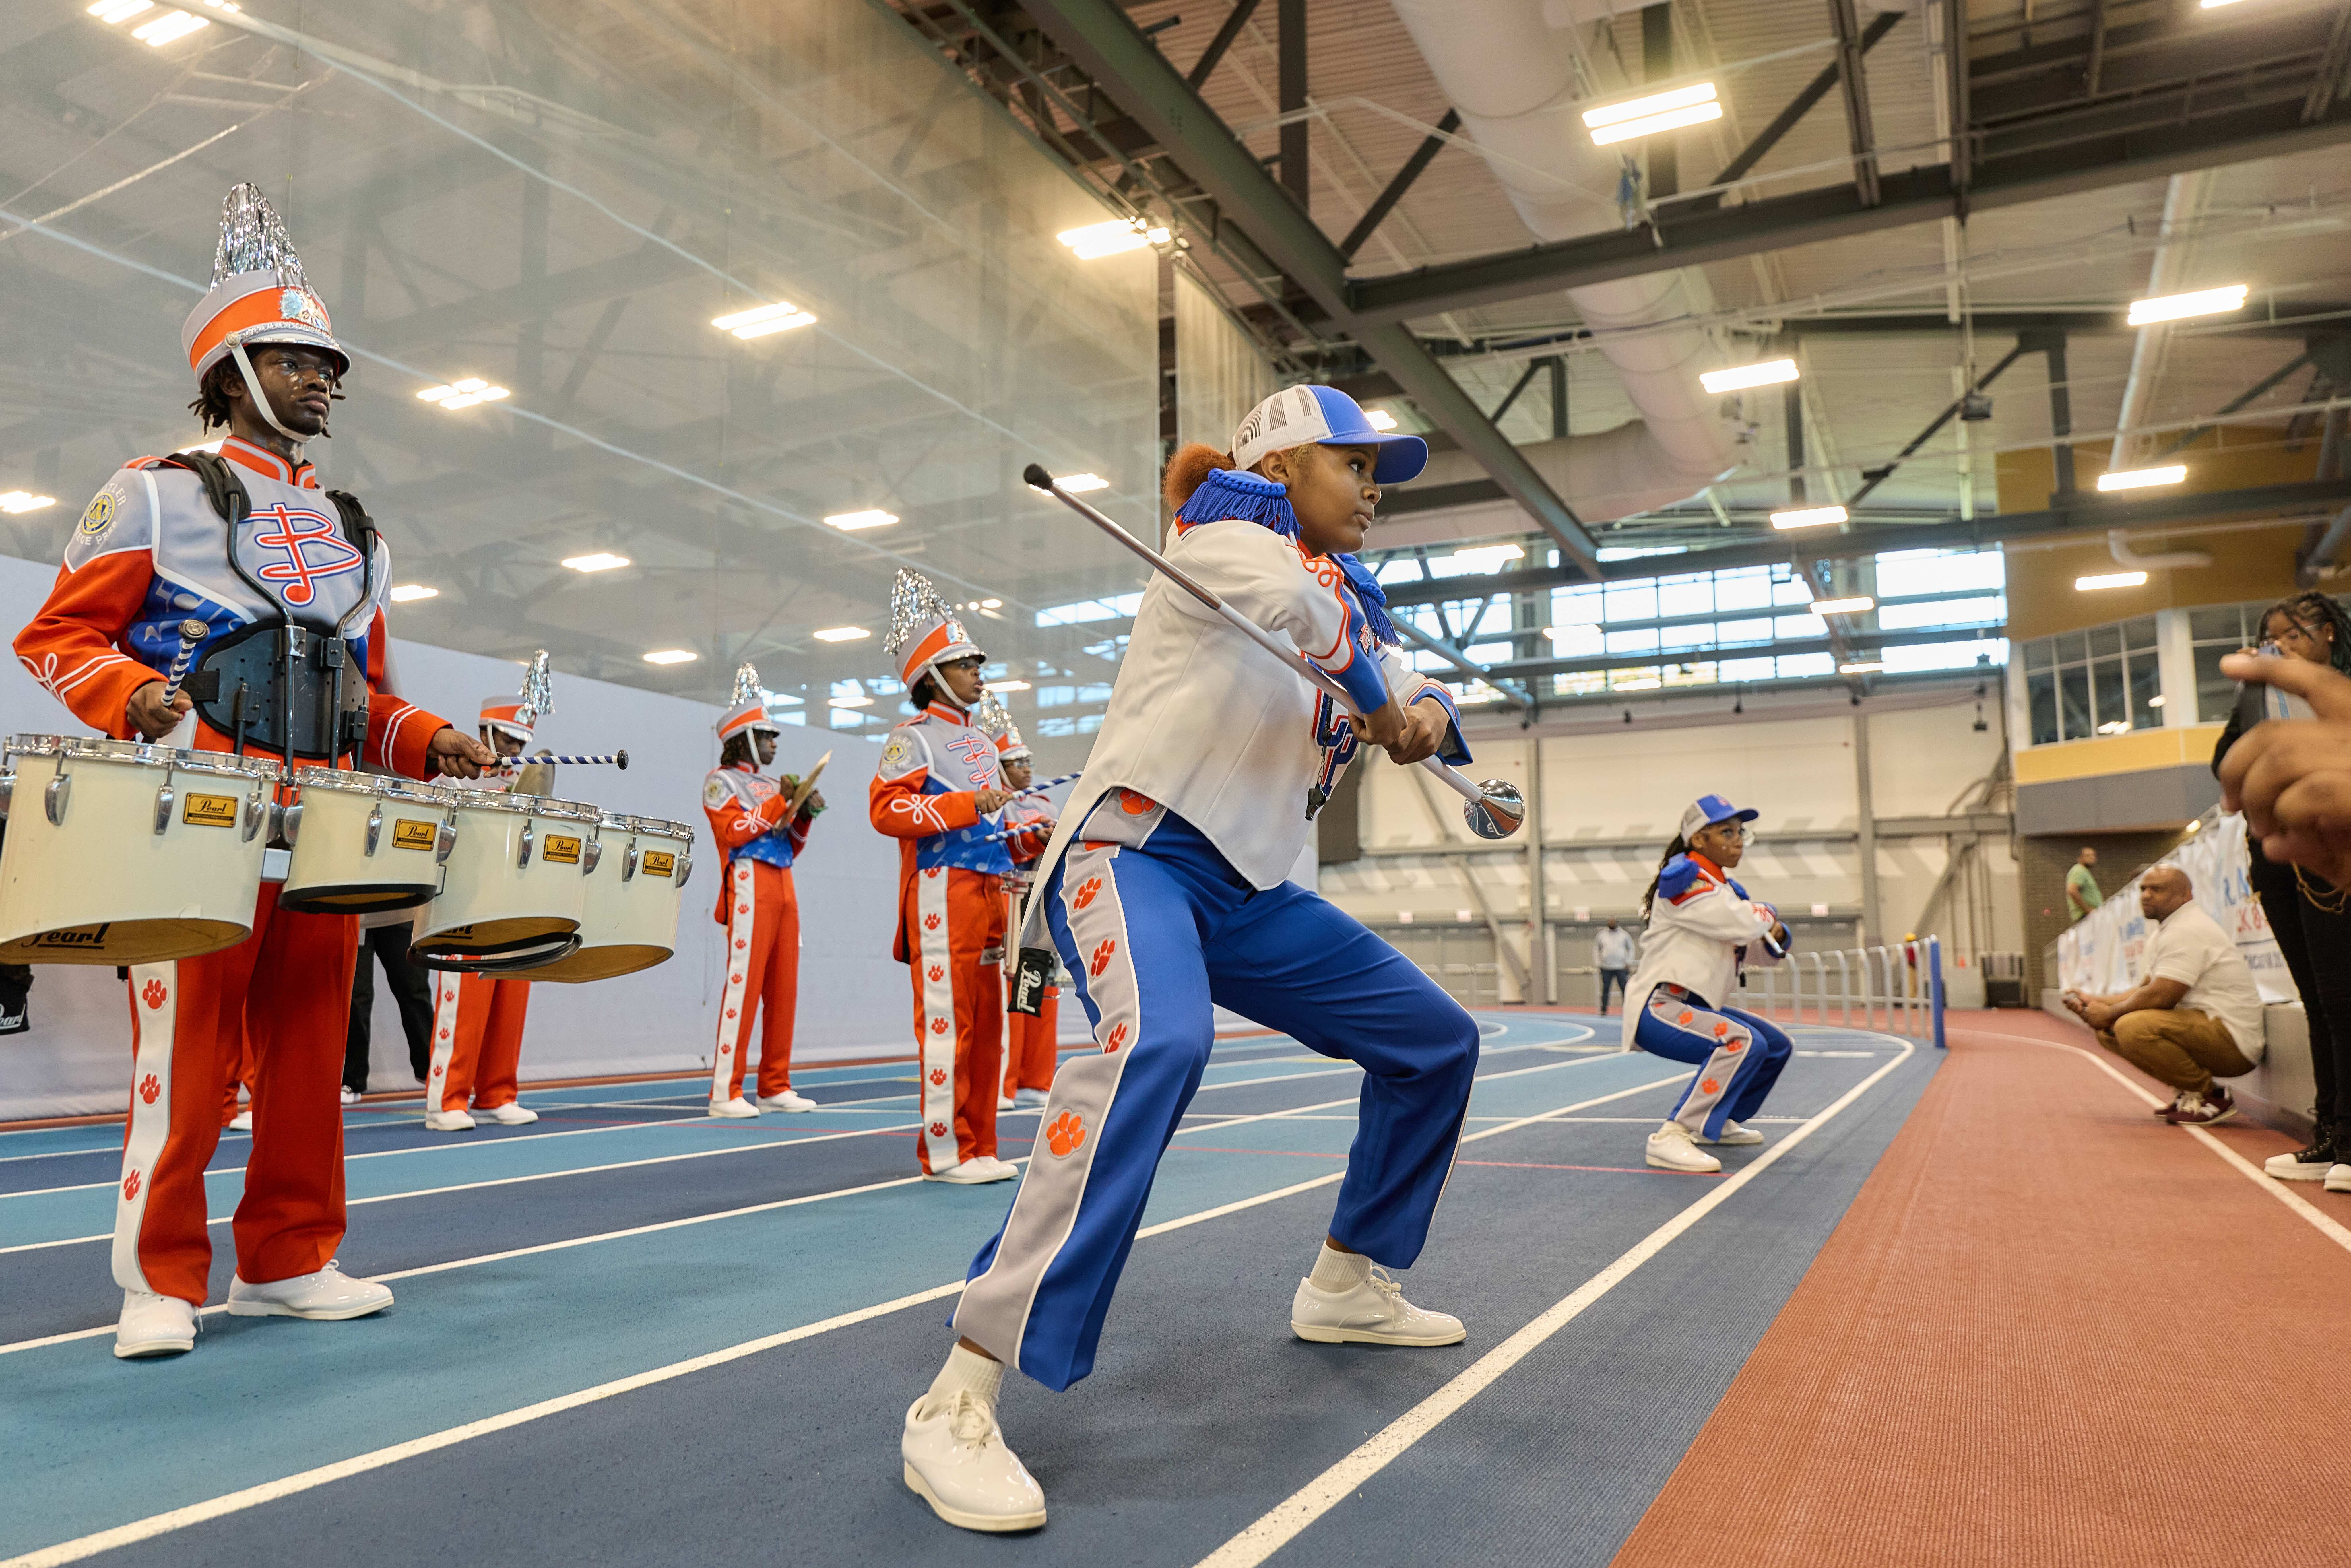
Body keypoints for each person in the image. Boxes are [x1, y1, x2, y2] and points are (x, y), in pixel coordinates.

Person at [897, 384, 1479, 1534]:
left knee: (1433, 1040)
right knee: (1158, 1041)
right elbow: (1321, 635)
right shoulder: (1223, 538)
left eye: (1381, 471)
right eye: (1350, 463)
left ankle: (1350, 1280)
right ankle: (957, 1392)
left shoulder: (1351, 593)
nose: (1373, 487)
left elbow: (1403, 686)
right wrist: (1378, 696)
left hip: (1250, 891)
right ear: (1281, 466)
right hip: (1133, 852)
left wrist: (1431, 718)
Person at [11, 184, 490, 1359]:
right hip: (195, 815)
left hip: (325, 822)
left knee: (310, 1051)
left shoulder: (359, 530)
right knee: (184, 1051)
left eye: (331, 363)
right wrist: (138, 698)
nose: (326, 378)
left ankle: (289, 1257)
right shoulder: (154, 492)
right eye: (298, 357)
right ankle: (160, 1277)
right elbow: (59, 638)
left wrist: (432, 739)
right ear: (230, 367)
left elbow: (365, 698)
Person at [870, 573, 1022, 1186]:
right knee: (948, 1019)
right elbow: (886, 811)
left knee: (989, 1022)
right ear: (931, 674)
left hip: (990, 887)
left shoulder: (982, 741)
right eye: (965, 663)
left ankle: (981, 1139)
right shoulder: (912, 742)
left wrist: (1033, 836)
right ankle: (944, 1149)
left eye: (977, 661)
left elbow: (1001, 818)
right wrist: (968, 806)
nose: (978, 671)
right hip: (944, 887)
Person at [2214, 593, 2351, 1180]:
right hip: (2275, 856)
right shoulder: (2259, 701)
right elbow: (2223, 761)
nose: (2280, 649)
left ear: (2326, 633)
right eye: (2270, 640)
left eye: (2291, 636)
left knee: (2343, 999)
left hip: (2330, 846)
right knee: (2315, 999)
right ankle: (2330, 1134)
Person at [1624, 795, 1795, 1175]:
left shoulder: (1727, 891)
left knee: (1777, 1045)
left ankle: (1719, 1122)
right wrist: (1767, 916)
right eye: (1727, 832)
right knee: (1742, 1041)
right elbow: (1745, 924)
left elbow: (1756, 950)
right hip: (1662, 1005)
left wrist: (1773, 932)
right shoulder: (1683, 879)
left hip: (1698, 1006)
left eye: (1740, 833)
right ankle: (1672, 1135)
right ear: (1699, 840)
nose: (1737, 840)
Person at [423, 671, 560, 1131]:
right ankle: (448, 1099)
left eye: (521, 742)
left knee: (510, 998)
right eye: (507, 738)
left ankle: (497, 1091)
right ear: (483, 733)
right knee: (465, 1001)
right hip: (466, 902)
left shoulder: (525, 779)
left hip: (516, 901)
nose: (515, 750)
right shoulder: (453, 779)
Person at [703, 661, 823, 1118]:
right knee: (744, 986)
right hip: (749, 881)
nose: (774, 744)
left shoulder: (772, 784)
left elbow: (789, 845)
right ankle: (724, 1091)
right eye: (768, 736)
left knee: (783, 987)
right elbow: (734, 832)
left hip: (782, 881)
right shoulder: (721, 781)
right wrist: (779, 803)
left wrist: (803, 813)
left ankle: (774, 1084)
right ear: (746, 738)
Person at [2064, 865, 2265, 1125]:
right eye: (2143, 889)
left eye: (2157, 890)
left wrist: (2110, 1012)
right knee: (2109, 1030)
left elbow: (2162, 997)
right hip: (2206, 1025)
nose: (2146, 895)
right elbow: (2146, 989)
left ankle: (2212, 1096)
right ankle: (2190, 1092)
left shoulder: (2187, 929)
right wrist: (2095, 1003)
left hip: (2233, 1041)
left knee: (2130, 1027)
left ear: (2185, 895)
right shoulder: (2169, 929)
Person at [978, 696, 1057, 1111]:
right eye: (1017, 762)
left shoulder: (1045, 803)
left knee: (1039, 987)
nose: (1027, 768)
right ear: (1000, 768)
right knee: (1010, 990)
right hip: (1007, 902)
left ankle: (1035, 1078)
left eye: (1028, 760)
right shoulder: (994, 803)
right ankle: (1004, 1083)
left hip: (1038, 904)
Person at [348, 904, 436, 1094]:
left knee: (415, 991)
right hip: (356, 909)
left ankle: (432, 1071)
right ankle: (352, 1080)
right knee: (356, 998)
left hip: (401, 906)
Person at [1594, 918, 1636, 1014]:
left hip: (1621, 967)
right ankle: (1604, 1010)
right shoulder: (1602, 935)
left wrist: (1629, 962)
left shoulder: (1624, 935)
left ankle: (1628, 1009)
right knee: (1606, 989)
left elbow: (1631, 948)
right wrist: (1598, 963)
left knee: (1624, 989)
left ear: (1617, 923)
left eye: (1613, 922)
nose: (1612, 923)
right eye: (1610, 922)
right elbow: (1596, 949)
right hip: (1606, 967)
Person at [2066, 847, 2104, 923]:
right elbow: (2072, 891)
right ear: (2080, 858)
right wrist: (2088, 910)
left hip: (2090, 915)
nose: (2092, 858)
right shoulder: (2079, 870)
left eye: (2094, 856)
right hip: (2086, 917)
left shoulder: (2085, 872)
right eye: (2088, 856)